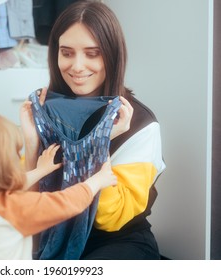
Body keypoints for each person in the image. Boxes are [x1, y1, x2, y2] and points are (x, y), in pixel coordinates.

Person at [20, 1, 166, 260]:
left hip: (116, 243)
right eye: (67, 53)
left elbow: (110, 219)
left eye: (92, 53)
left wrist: (99, 145)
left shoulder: (141, 124)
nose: (77, 66)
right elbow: (22, 203)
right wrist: (32, 143)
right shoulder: (46, 110)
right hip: (52, 238)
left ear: (111, 54)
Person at [0, 111, 116, 260]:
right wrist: (98, 180)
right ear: (1, 164)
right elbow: (66, 202)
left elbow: (2, 189)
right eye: (16, 152)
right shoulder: (13, 207)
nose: (18, 157)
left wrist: (40, 171)